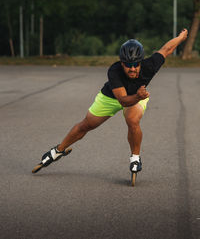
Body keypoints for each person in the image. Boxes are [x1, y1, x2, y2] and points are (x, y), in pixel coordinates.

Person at [33, 29, 188, 174]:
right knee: (86, 125)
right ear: (121, 63)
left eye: (136, 64)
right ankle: (58, 150)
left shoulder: (150, 65)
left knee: (132, 120)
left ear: (141, 62)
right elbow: (122, 100)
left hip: (137, 97)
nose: (132, 68)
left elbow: (167, 49)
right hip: (113, 97)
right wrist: (138, 96)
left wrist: (181, 38)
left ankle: (135, 158)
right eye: (128, 65)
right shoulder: (114, 71)